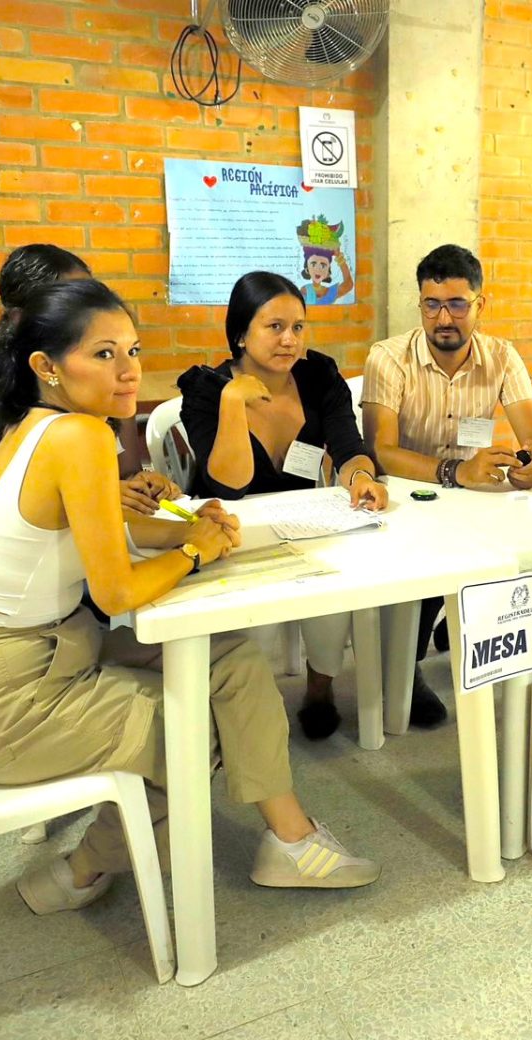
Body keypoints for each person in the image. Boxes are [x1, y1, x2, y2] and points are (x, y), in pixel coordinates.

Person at [0, 279, 379, 914]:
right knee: (201, 730)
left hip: (39, 656)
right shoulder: (78, 438)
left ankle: (291, 841)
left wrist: (190, 531)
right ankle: (81, 870)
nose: (128, 372)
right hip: (7, 698)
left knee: (230, 656)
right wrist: (194, 550)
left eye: (133, 351)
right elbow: (117, 588)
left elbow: (115, 528)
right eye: (104, 354)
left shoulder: (42, 425)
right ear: (46, 367)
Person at [177, 271, 388, 742]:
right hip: (230, 522)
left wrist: (360, 478)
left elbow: (349, 444)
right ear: (240, 334)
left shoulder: (318, 375)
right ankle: (253, 700)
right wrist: (234, 402)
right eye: (274, 327)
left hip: (302, 516)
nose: (289, 340)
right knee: (254, 617)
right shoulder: (206, 389)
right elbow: (227, 484)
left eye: (298, 327)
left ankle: (320, 687)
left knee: (336, 581)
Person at [360, 243, 532, 727]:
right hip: (405, 494)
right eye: (432, 305)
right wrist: (452, 473)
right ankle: (407, 667)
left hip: (470, 494)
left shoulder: (502, 357)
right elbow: (381, 451)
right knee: (430, 559)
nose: (444, 318)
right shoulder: (387, 358)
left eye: (457, 304)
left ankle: (483, 638)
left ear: (480, 305)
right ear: (420, 306)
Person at [0, 244, 177, 516]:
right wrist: (94, 495)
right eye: (70, 302)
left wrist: (142, 485)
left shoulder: (108, 380)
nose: (90, 313)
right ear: (20, 317)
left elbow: (126, 472)